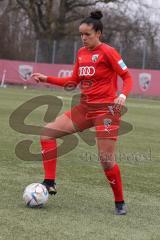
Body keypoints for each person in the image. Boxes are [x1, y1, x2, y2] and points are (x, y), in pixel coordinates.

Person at [32, 10, 133, 215]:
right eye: (81, 34)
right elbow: (72, 81)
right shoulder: (81, 53)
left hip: (107, 110)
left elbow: (128, 77)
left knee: (106, 160)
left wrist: (122, 95)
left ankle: (119, 202)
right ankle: (49, 182)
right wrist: (46, 79)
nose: (83, 38)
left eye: (87, 34)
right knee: (47, 134)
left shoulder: (109, 52)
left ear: (98, 33)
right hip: (86, 108)